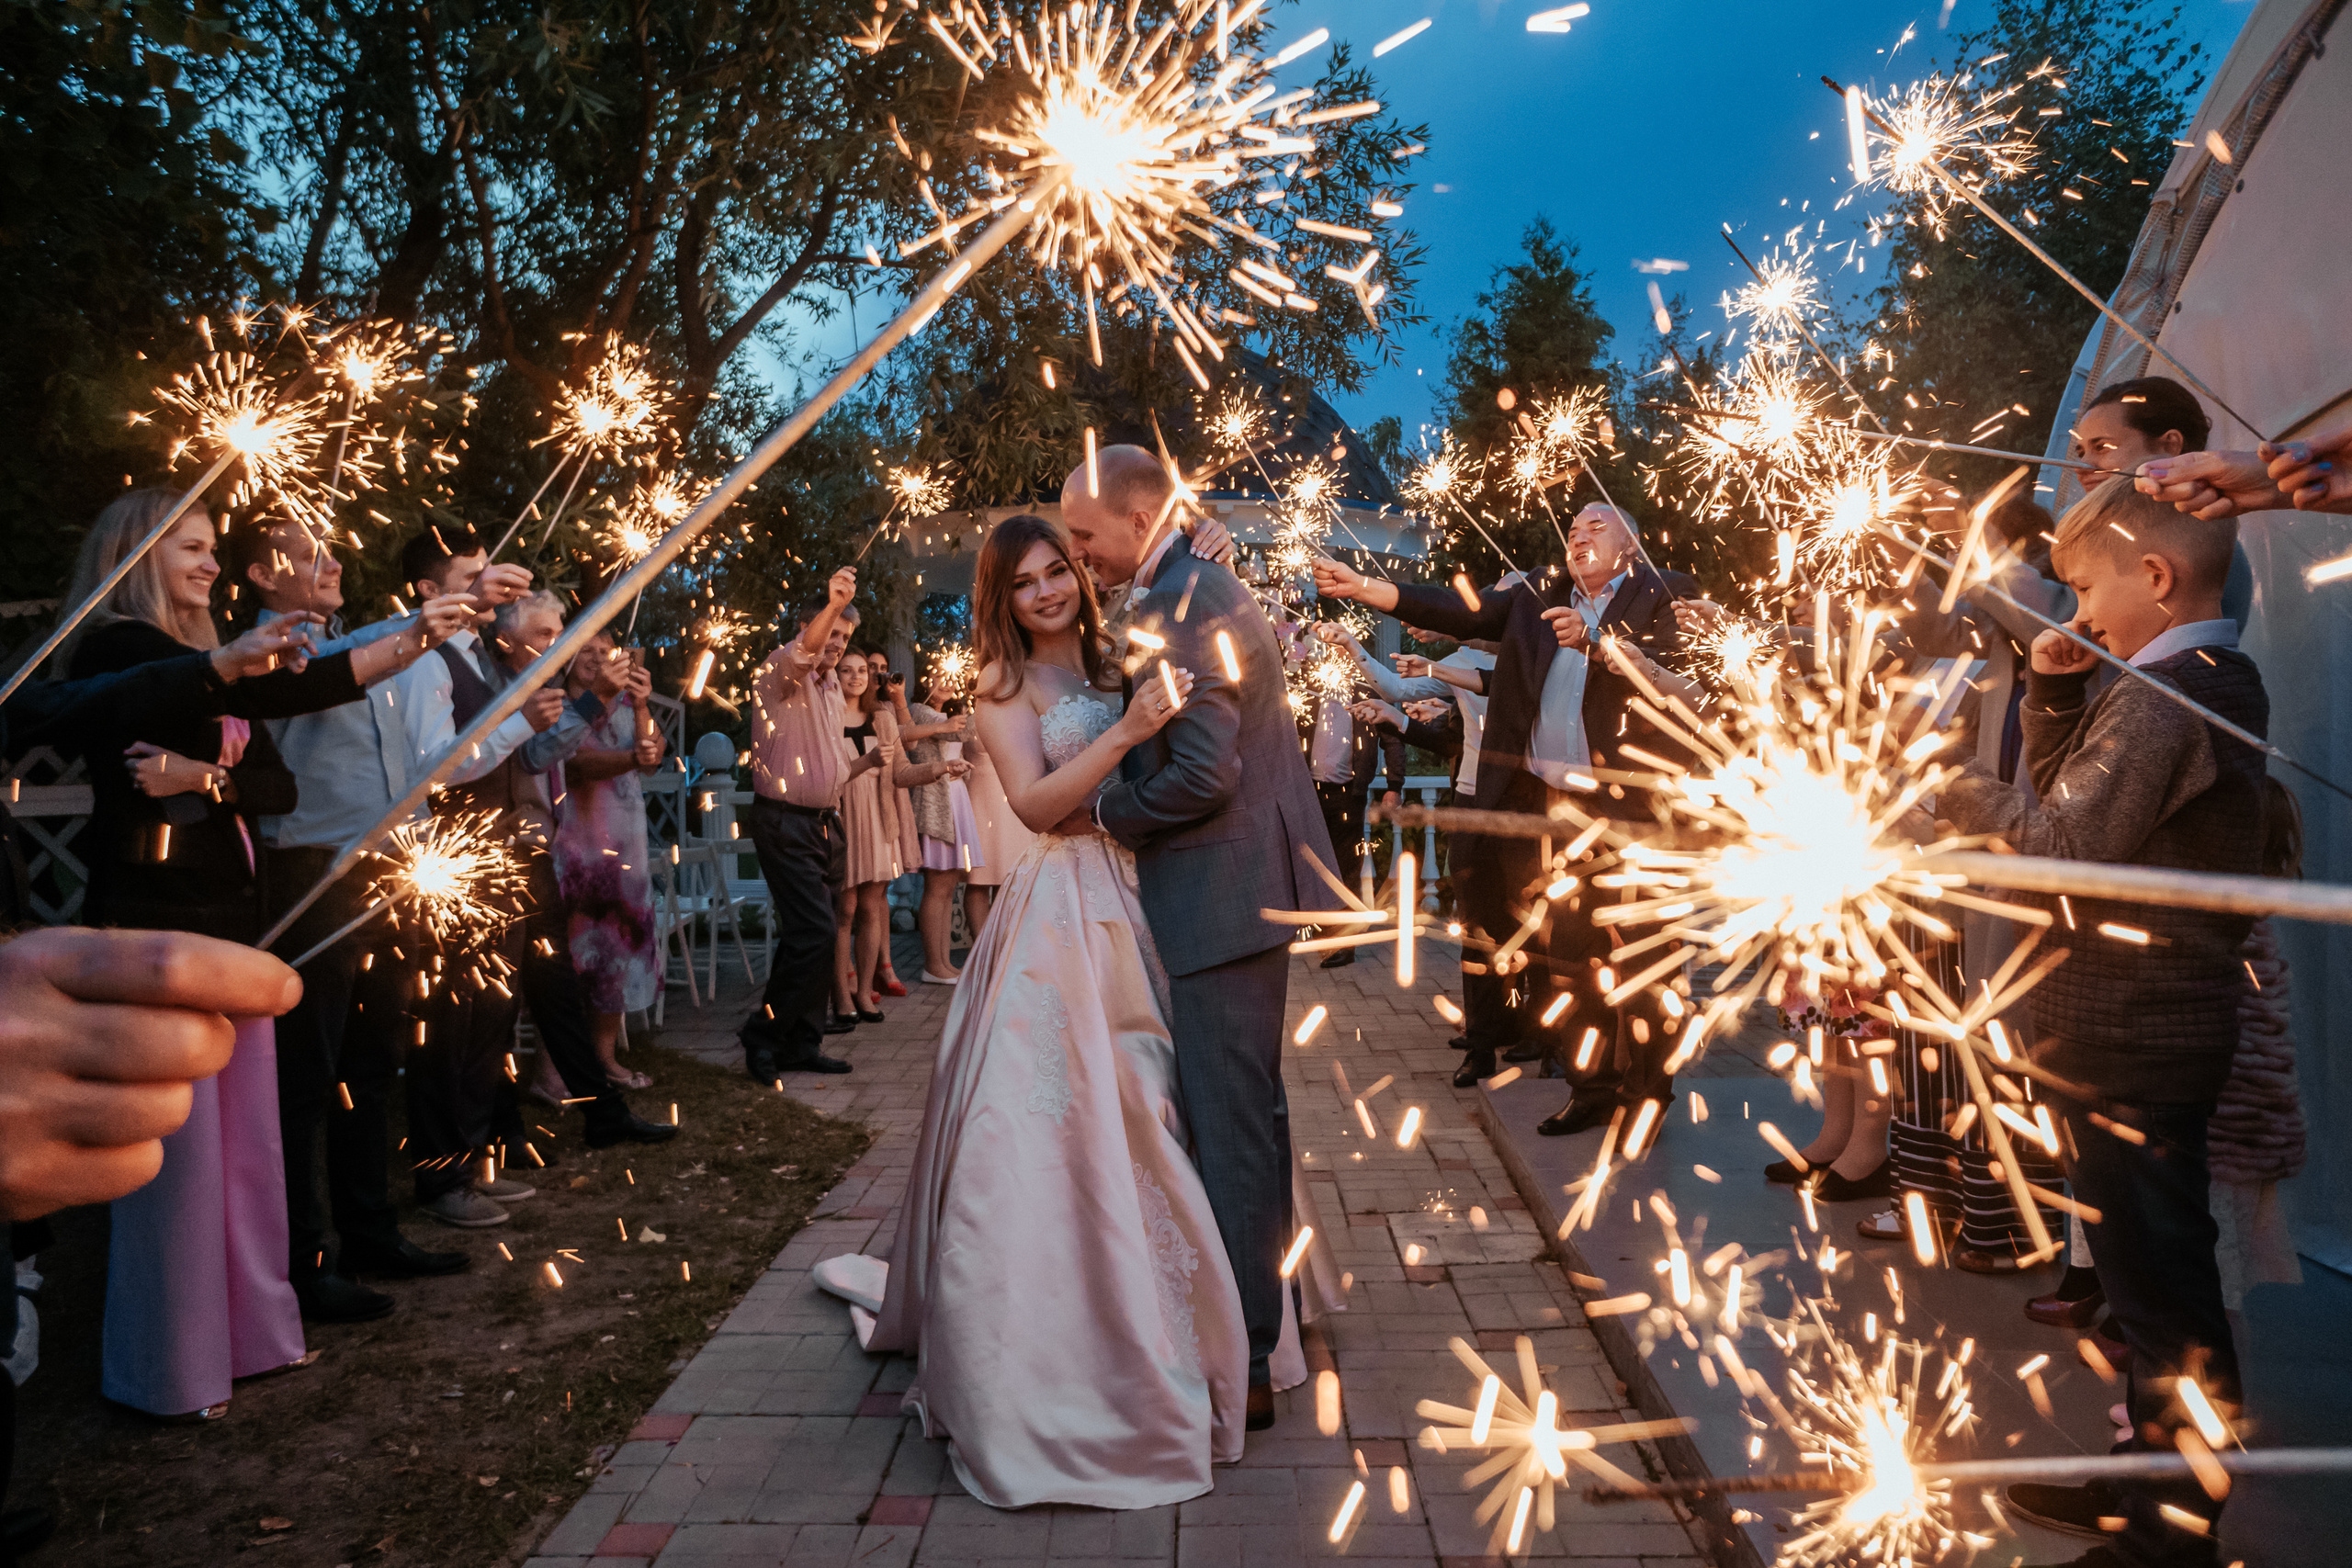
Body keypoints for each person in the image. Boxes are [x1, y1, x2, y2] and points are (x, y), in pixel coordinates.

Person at [813, 512, 1238, 1509]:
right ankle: (1064, 1342)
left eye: (1059, 571)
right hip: (1060, 912)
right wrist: (1130, 731)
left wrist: (1208, 558)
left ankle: (1197, 1313)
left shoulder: (1117, 649)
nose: (1048, 590)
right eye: (1025, 582)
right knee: (1081, 1107)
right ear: (999, 600)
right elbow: (1038, 806)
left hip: (1146, 898)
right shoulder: (1002, 689)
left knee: (1170, 1096)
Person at [55, 491, 458, 1418]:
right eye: (188, 548)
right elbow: (203, 697)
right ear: (134, 555)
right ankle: (172, 1355)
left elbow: (283, 728)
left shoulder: (218, 662)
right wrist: (229, 694)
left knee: (241, 1132)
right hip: (161, 918)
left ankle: (245, 1318)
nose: (204, 563)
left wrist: (421, 630)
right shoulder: (123, 650)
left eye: (207, 547)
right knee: (186, 1143)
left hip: (228, 914)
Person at [1933, 479, 2264, 1568]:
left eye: (2083, 592)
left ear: (2156, 581)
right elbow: (2087, 803)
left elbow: (2064, 843)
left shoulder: (2183, 691)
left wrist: (1957, 785)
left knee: (2161, 1290)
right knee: (2135, 1287)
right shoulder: (2151, 675)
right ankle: (2142, 1494)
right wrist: (2058, 697)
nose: (2073, 618)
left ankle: (2171, 1532)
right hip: (2108, 1027)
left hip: (2142, 1033)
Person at [1067, 445, 1345, 1427]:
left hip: (1221, 887)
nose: (1078, 553)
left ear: (1138, 522)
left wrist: (1102, 808)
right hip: (1249, 882)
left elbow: (1200, 777)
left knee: (1230, 1127)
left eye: (1086, 534)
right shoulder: (1199, 579)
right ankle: (1264, 1333)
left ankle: (1244, 1364)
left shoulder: (1170, 604)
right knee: (1253, 1119)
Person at [1314, 504, 1689, 1116]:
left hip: (1629, 808)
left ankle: (1649, 1091)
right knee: (1570, 952)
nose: (1578, 535)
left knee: (1645, 950)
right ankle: (1589, 1089)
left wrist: (1598, 643)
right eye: (1571, 529)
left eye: (1596, 525)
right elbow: (1458, 609)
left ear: (1633, 541)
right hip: (1549, 808)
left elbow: (1679, 675)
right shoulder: (1538, 594)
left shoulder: (1663, 592)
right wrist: (1368, 589)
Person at [229, 511, 481, 1321]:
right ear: (263, 575)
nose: (329, 559)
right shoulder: (270, 653)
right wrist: (420, 622)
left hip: (384, 868)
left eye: (328, 545)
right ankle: (307, 1260)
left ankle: (372, 1229)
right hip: (311, 875)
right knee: (309, 1076)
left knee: (369, 1066)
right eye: (306, 552)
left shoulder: (346, 642)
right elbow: (331, 673)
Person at [395, 570, 676, 1230]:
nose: (556, 642)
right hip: (474, 852)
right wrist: (583, 706)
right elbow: (508, 759)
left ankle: (555, 1120)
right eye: (545, 632)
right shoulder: (452, 670)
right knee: (474, 1009)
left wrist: (589, 706)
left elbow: (534, 751)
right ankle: (466, 1155)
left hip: (523, 847)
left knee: (528, 995)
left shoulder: (516, 678)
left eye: (559, 632)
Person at [741, 572, 866, 1077]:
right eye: (832, 631)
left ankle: (802, 1043)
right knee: (813, 929)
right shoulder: (778, 670)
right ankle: (763, 1033)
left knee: (821, 932)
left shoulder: (833, 685)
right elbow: (803, 654)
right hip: (784, 822)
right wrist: (834, 606)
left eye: (844, 637)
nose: (836, 643)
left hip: (824, 823)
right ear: (808, 625)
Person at [549, 630, 667, 1089]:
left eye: (605, 651)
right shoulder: (557, 708)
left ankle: (603, 1058)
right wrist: (631, 759)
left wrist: (641, 707)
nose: (597, 659)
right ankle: (555, 1066)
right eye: (586, 651)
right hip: (574, 849)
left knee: (617, 954)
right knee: (568, 959)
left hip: (625, 849)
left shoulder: (623, 706)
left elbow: (652, 758)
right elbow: (574, 765)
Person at [1295, 630, 1406, 968]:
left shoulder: (1368, 694)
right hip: (1309, 792)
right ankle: (1324, 929)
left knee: (1345, 866)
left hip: (1347, 795)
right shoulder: (1310, 692)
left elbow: (1394, 740)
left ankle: (1345, 942)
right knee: (1315, 864)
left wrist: (1395, 785)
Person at [830, 649, 906, 1024]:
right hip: (843, 818)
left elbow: (902, 772)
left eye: (862, 670)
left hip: (877, 818)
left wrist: (941, 768)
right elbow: (827, 777)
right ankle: (841, 995)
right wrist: (869, 762)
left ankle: (864, 993)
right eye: (847, 670)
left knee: (871, 907)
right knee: (844, 908)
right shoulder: (825, 719)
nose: (856, 677)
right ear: (836, 675)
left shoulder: (882, 718)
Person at [896, 668, 980, 984]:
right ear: (925, 682)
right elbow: (958, 733)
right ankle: (933, 964)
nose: (945, 682)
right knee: (938, 886)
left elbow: (963, 736)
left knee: (947, 887)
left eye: (949, 678)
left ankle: (943, 964)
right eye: (938, 677)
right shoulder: (920, 711)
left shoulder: (945, 714)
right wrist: (980, 695)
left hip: (954, 799)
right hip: (935, 803)